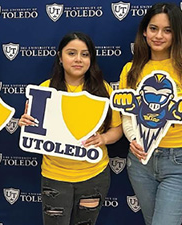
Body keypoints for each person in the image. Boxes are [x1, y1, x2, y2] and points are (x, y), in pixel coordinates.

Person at [118, 3, 182, 225]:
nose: (159, 35)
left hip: (180, 160)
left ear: (178, 33)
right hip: (140, 161)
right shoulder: (131, 69)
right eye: (153, 28)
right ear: (144, 31)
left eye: (168, 30)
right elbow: (128, 115)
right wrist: (134, 138)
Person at [18, 32, 123, 225]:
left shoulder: (103, 90)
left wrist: (104, 139)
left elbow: (117, 128)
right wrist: (26, 123)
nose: (78, 59)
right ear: (60, 57)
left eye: (85, 54)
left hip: (94, 176)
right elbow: (34, 132)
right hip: (54, 176)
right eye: (71, 53)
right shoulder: (45, 90)